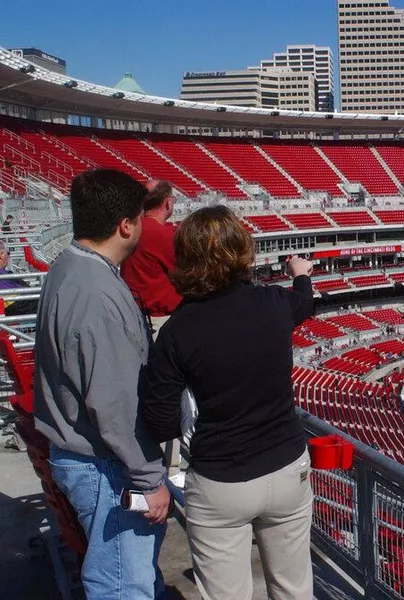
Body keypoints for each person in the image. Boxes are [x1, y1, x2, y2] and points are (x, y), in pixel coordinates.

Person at [142, 206, 315, 600]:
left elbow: (159, 420)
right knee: (294, 589)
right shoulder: (273, 303)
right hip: (287, 467)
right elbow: (303, 303)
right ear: (242, 252)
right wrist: (301, 274)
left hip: (221, 478)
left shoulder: (177, 331)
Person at [33, 169, 170, 600]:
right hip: (106, 466)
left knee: (129, 576)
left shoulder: (71, 268)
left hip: (94, 460)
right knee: (120, 585)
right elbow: (113, 405)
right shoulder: (95, 291)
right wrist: (149, 479)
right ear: (126, 225)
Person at [121, 179, 182, 338]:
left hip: (133, 313)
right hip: (160, 319)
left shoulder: (132, 228)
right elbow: (186, 273)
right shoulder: (164, 235)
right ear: (168, 203)